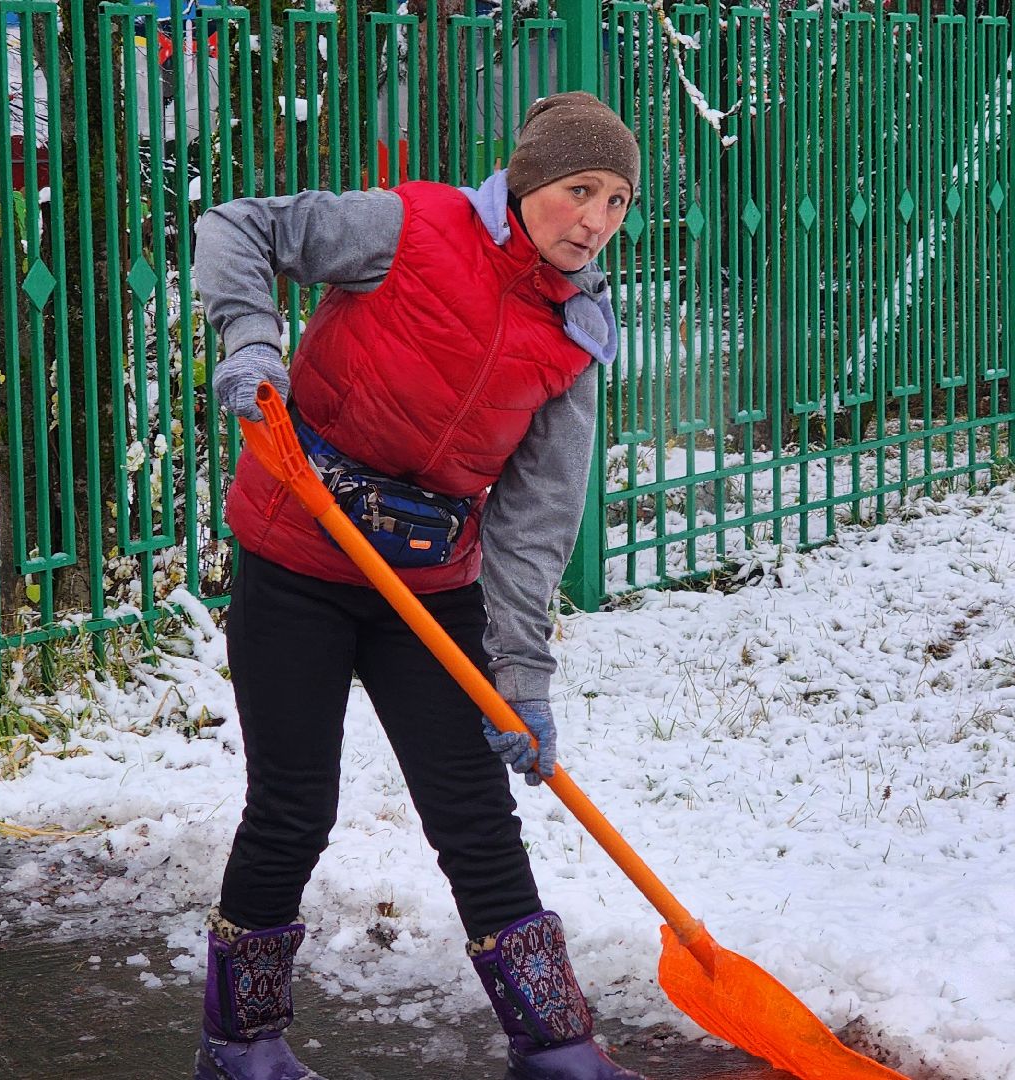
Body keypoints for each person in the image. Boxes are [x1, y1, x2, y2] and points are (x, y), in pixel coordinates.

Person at [190, 92, 645, 1080]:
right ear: (527, 186)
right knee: (293, 808)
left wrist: (520, 676)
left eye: (615, 200)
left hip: (429, 583)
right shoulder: (407, 226)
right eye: (579, 191)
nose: (596, 220)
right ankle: (240, 1043)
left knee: (476, 814)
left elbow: (532, 524)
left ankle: (555, 1045)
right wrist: (250, 346)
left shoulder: (577, 335)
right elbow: (235, 227)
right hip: (297, 556)